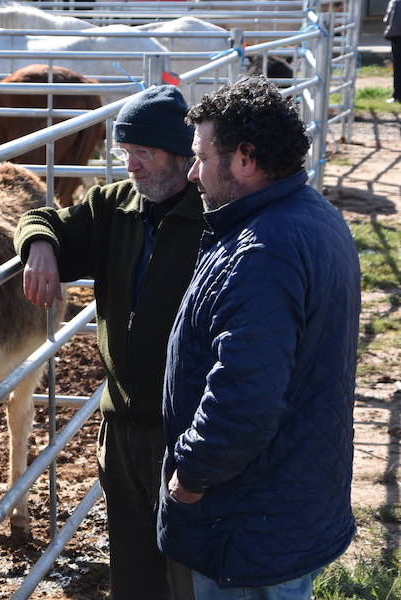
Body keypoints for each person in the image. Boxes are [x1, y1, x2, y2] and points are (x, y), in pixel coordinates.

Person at [158, 76, 360, 599]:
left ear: (246, 158)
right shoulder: (313, 215)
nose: (194, 172)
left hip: (247, 520)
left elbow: (245, 394)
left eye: (202, 156)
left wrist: (192, 476)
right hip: (291, 498)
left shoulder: (261, 251)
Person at [13, 85, 202, 600]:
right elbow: (42, 218)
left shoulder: (212, 216)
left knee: (187, 573)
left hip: (184, 426)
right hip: (121, 424)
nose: (131, 166)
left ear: (183, 156)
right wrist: (40, 247)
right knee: (133, 574)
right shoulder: (115, 206)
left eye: (144, 153)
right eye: (125, 153)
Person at [385, 0, 401, 103]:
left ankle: (398, 95)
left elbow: (388, 19)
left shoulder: (396, 2)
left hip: (397, 38)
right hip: (397, 37)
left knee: (398, 67)